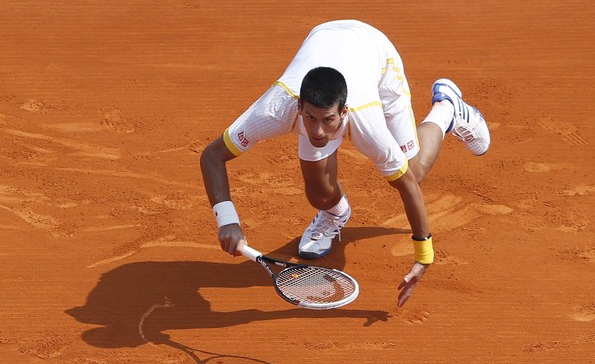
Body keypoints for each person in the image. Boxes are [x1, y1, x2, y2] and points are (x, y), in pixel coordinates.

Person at [200, 20, 490, 307]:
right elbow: (212, 156)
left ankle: (447, 108)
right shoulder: (274, 110)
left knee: (412, 170)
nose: (317, 131)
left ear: (344, 113)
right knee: (319, 194)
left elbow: (407, 185)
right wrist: (227, 220)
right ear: (299, 106)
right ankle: (335, 213)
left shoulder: (368, 124)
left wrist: (424, 255)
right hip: (325, 37)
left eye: (328, 120)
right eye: (310, 118)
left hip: (377, 58)